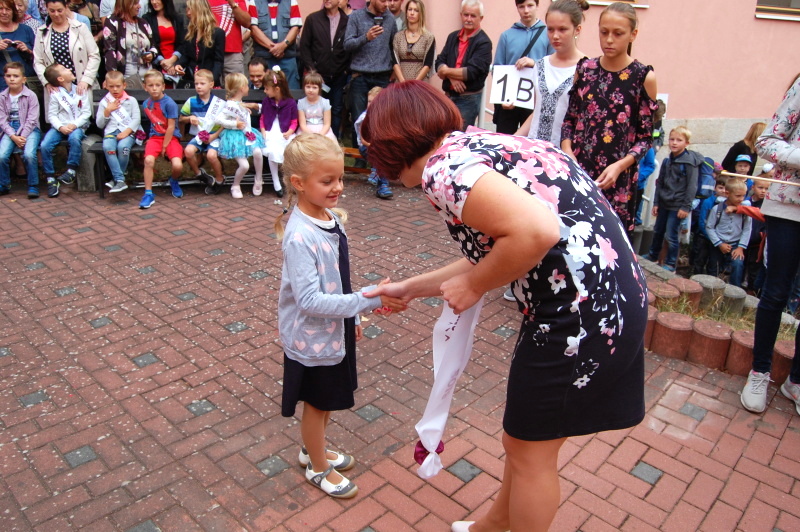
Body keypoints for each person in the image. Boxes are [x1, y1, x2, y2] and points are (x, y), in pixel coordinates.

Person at [362, 80, 647, 532]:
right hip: (606, 301)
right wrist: (411, 288)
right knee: (527, 440)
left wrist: (475, 286)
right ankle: (495, 524)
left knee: (530, 453)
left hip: (576, 317)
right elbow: (505, 246)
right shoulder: (479, 144)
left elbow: (535, 232)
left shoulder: (442, 170)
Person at [275, 133, 403, 500]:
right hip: (312, 338)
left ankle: (311, 450)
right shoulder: (300, 237)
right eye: (327, 180)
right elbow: (309, 300)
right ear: (299, 183)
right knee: (318, 404)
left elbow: (338, 278)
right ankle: (317, 467)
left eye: (340, 178)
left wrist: (354, 318)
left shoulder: (330, 218)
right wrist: (367, 301)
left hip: (334, 329)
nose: (338, 187)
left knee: (328, 400)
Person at [561, 1, 657, 235]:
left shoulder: (642, 77)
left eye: (618, 33)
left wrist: (620, 166)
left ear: (633, 34)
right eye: (604, 32)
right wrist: (567, 152)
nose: (609, 40)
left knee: (611, 245)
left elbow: (646, 138)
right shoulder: (585, 69)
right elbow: (570, 120)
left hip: (617, 181)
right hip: (579, 173)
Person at [740, 73, 800, 415]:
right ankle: (759, 371)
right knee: (776, 292)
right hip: (789, 206)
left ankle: (796, 381)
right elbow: (767, 141)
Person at [515, 0, 587, 145]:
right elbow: (537, 112)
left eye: (562, 29)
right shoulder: (541, 64)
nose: (555, 36)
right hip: (535, 147)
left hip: (565, 150)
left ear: (577, 30)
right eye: (550, 29)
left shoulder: (587, 68)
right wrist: (514, 138)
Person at [645, 126, 703, 272]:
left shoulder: (689, 163)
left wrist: (686, 207)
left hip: (677, 205)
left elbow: (692, 186)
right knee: (658, 230)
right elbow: (660, 183)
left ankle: (671, 263)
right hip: (664, 202)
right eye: (672, 139)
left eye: (679, 140)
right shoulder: (667, 161)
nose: (674, 143)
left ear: (687, 143)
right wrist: (656, 202)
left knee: (671, 235)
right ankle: (653, 255)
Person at [492, 0, 553, 134]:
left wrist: (534, 63)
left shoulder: (548, 34)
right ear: (517, 8)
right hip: (510, 102)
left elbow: (553, 65)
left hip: (535, 101)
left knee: (531, 141)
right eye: (521, 6)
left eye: (530, 6)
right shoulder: (506, 35)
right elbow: (498, 69)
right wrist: (502, 98)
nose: (526, 11)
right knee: (505, 140)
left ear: (537, 6)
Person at [343, 0, 396, 143]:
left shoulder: (390, 19)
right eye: (383, 1)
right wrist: (366, 37)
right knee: (358, 119)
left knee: (382, 120)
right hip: (360, 77)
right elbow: (347, 44)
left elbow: (394, 46)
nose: (387, 4)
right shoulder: (356, 16)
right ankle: (359, 152)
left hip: (382, 76)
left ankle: (379, 153)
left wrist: (394, 69)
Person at [434, 0, 491, 130]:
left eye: (473, 16)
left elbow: (471, 72)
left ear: (481, 18)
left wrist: (446, 72)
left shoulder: (484, 42)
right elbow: (439, 61)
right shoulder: (452, 37)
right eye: (466, 15)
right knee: (445, 134)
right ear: (461, 15)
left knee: (460, 136)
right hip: (448, 96)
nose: (468, 19)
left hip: (468, 99)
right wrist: (452, 78)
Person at [298, 0, 349, 139]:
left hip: (339, 74)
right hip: (318, 75)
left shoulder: (347, 21)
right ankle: (313, 140)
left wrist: (346, 70)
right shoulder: (313, 19)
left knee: (337, 108)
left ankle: (333, 139)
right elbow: (304, 47)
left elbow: (351, 47)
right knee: (316, 107)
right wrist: (313, 71)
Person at [33, 0, 100, 100]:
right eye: (52, 11)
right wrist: (47, 82)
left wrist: (86, 80)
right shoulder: (42, 31)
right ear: (47, 9)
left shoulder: (81, 27)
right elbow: (38, 61)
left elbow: (94, 55)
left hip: (80, 84)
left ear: (66, 8)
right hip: (56, 88)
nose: (56, 14)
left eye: (59, 10)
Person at [40, 62, 89, 198]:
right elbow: (52, 115)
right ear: (60, 78)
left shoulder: (80, 90)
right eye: (64, 69)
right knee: (45, 145)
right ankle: (51, 179)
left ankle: (71, 171)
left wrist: (74, 125)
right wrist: (60, 127)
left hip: (76, 126)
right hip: (59, 126)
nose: (69, 68)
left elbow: (86, 113)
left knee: (75, 138)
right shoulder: (56, 94)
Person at [215, 72, 265, 198]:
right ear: (242, 88)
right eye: (247, 85)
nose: (249, 88)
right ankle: (235, 185)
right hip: (233, 137)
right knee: (244, 165)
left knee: (258, 153)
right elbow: (218, 120)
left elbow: (240, 110)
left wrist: (244, 109)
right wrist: (234, 124)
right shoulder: (229, 105)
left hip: (246, 133)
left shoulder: (239, 103)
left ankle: (259, 179)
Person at [140, 69, 184, 209]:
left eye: (157, 85)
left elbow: (171, 127)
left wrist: (165, 146)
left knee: (177, 165)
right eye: (151, 85)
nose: (154, 88)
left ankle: (174, 180)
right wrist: (150, 138)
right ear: (145, 87)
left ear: (163, 86)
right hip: (155, 138)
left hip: (171, 138)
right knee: (148, 160)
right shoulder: (146, 104)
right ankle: (148, 193)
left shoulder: (169, 103)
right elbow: (153, 123)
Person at [0, 61, 40, 197]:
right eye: (8, 76)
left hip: (30, 129)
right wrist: (13, 136)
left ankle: (33, 185)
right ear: (4, 78)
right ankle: (4, 184)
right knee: (1, 156)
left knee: (29, 155)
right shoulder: (2, 97)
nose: (12, 79)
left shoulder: (31, 96)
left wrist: (22, 136)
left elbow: (32, 119)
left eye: (16, 76)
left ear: (24, 79)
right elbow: (2, 120)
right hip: (10, 130)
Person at [180, 69, 225, 192]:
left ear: (211, 84)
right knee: (188, 151)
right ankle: (199, 174)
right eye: (196, 84)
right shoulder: (191, 101)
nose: (198, 86)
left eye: (202, 83)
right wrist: (189, 118)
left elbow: (225, 124)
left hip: (214, 136)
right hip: (199, 136)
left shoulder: (219, 103)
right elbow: (181, 119)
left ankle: (219, 179)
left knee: (211, 155)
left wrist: (214, 136)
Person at [96, 70, 140, 193]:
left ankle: (116, 179)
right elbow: (99, 124)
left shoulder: (131, 100)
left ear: (124, 85)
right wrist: (107, 112)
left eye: (118, 86)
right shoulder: (104, 102)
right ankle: (120, 179)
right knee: (108, 148)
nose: (115, 89)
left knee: (123, 148)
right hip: (110, 133)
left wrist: (126, 132)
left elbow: (136, 119)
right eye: (111, 86)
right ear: (106, 86)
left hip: (128, 133)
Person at [706, 179, 751, 287]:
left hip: (736, 244)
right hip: (718, 243)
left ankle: (735, 290)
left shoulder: (745, 212)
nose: (741, 199)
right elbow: (709, 227)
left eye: (743, 196)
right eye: (738, 196)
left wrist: (740, 247)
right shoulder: (717, 209)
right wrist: (719, 243)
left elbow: (747, 229)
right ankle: (711, 289)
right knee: (714, 267)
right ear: (727, 193)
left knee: (738, 264)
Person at [103, 0, 158, 89]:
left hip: (148, 79)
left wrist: (151, 54)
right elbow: (110, 50)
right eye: (135, 3)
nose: (139, 6)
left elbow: (154, 46)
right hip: (126, 79)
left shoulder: (143, 23)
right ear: (126, 4)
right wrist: (113, 77)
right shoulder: (112, 21)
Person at [260, 66, 295, 198]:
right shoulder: (266, 101)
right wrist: (263, 130)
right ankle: (276, 181)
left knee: (288, 150)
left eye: (266, 89)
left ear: (277, 89)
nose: (264, 91)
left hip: (284, 131)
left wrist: (290, 131)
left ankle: (289, 180)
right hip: (270, 130)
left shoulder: (290, 103)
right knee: (272, 150)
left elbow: (294, 121)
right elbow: (262, 118)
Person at [250, 0, 301, 89]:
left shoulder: (291, 1)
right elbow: (253, 29)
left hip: (287, 58)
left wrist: (283, 45)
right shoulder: (254, 2)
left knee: (291, 91)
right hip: (264, 60)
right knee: (264, 92)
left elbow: (295, 28)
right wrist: (273, 48)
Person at [176, 0, 225, 88]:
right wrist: (179, 64)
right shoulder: (189, 33)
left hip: (209, 81)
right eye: (187, 9)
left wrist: (212, 80)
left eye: (190, 9)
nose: (188, 13)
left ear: (199, 10)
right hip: (191, 81)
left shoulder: (217, 33)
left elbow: (218, 61)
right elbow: (186, 55)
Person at [355, 85, 391, 199]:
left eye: (374, 102)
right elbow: (363, 140)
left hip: (381, 149)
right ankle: (383, 186)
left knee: (384, 153)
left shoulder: (385, 118)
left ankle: (378, 178)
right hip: (366, 147)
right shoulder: (364, 118)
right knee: (380, 156)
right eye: (369, 101)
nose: (370, 104)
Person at [142, 0, 185, 88]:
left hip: (175, 62)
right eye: (152, 0)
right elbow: (150, 42)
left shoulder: (177, 19)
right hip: (157, 63)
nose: (154, 2)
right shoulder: (147, 18)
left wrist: (172, 61)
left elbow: (182, 43)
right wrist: (162, 62)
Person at [207, 0, 257, 76]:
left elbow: (247, 23)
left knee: (236, 83)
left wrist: (232, 3)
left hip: (232, 53)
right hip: (208, 51)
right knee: (207, 82)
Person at [391, 0, 434, 83]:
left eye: (416, 10)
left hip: (420, 83)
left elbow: (428, 64)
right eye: (410, 9)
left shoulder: (428, 37)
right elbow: (395, 61)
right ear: (406, 12)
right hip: (401, 82)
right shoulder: (398, 36)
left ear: (421, 14)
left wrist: (415, 83)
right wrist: (402, 82)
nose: (412, 13)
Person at [0, 0, 35, 92]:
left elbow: (39, 57)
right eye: (1, 9)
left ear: (13, 11)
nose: (4, 12)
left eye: (8, 9)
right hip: (2, 84)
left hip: (25, 82)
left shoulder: (26, 30)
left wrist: (27, 50)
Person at [297, 71, 336, 141]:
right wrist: (311, 135)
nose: (311, 90)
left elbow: (327, 124)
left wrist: (320, 135)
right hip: (306, 130)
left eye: (314, 87)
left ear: (319, 88)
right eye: (308, 87)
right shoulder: (301, 102)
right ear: (304, 87)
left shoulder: (325, 102)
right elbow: (302, 124)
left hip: (322, 130)